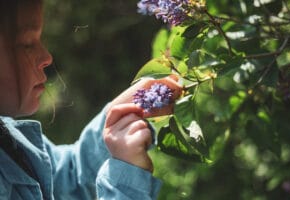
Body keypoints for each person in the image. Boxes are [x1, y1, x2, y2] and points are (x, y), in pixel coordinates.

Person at [0, 0, 182, 199]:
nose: (47, 57)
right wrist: (125, 184)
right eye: (27, 44)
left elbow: (65, 180)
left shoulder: (9, 140)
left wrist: (115, 116)